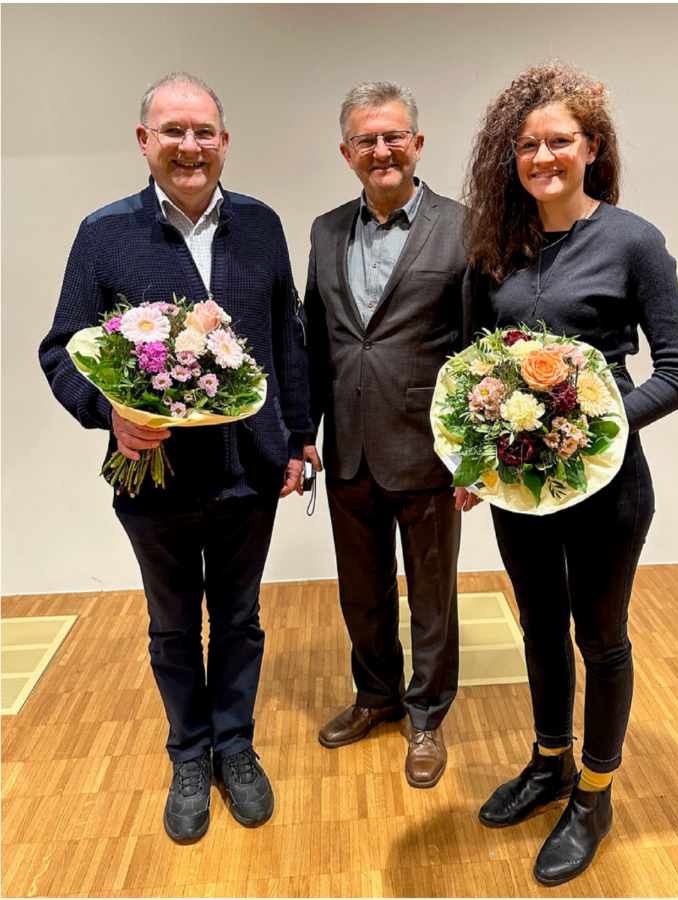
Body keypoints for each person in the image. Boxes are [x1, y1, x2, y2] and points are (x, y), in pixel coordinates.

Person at [39, 73, 313, 844]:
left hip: (248, 473)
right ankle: (189, 753)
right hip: (152, 480)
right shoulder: (104, 233)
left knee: (239, 619)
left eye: (203, 132)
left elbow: (285, 337)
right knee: (170, 629)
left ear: (224, 141)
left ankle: (235, 745)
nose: (189, 147)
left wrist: (298, 439)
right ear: (144, 142)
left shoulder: (260, 225)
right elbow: (61, 350)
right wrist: (109, 413)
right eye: (173, 131)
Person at [464, 61, 678, 885]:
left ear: (590, 147)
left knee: (600, 640)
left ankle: (594, 794)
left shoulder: (634, 242)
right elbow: (471, 365)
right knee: (537, 628)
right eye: (527, 145)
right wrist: (471, 456)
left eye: (559, 141)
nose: (542, 157)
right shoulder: (496, 244)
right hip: (518, 487)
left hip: (606, 487)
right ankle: (550, 763)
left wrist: (591, 427)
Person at [303, 81, 479, 790]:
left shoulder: (465, 227)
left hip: (429, 448)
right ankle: (376, 695)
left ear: (417, 144)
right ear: (347, 153)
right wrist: (302, 434)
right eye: (367, 140)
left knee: (431, 592)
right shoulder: (323, 229)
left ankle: (427, 717)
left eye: (394, 136)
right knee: (362, 589)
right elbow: (314, 339)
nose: (382, 150)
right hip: (347, 444)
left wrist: (475, 456)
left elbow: (477, 349)